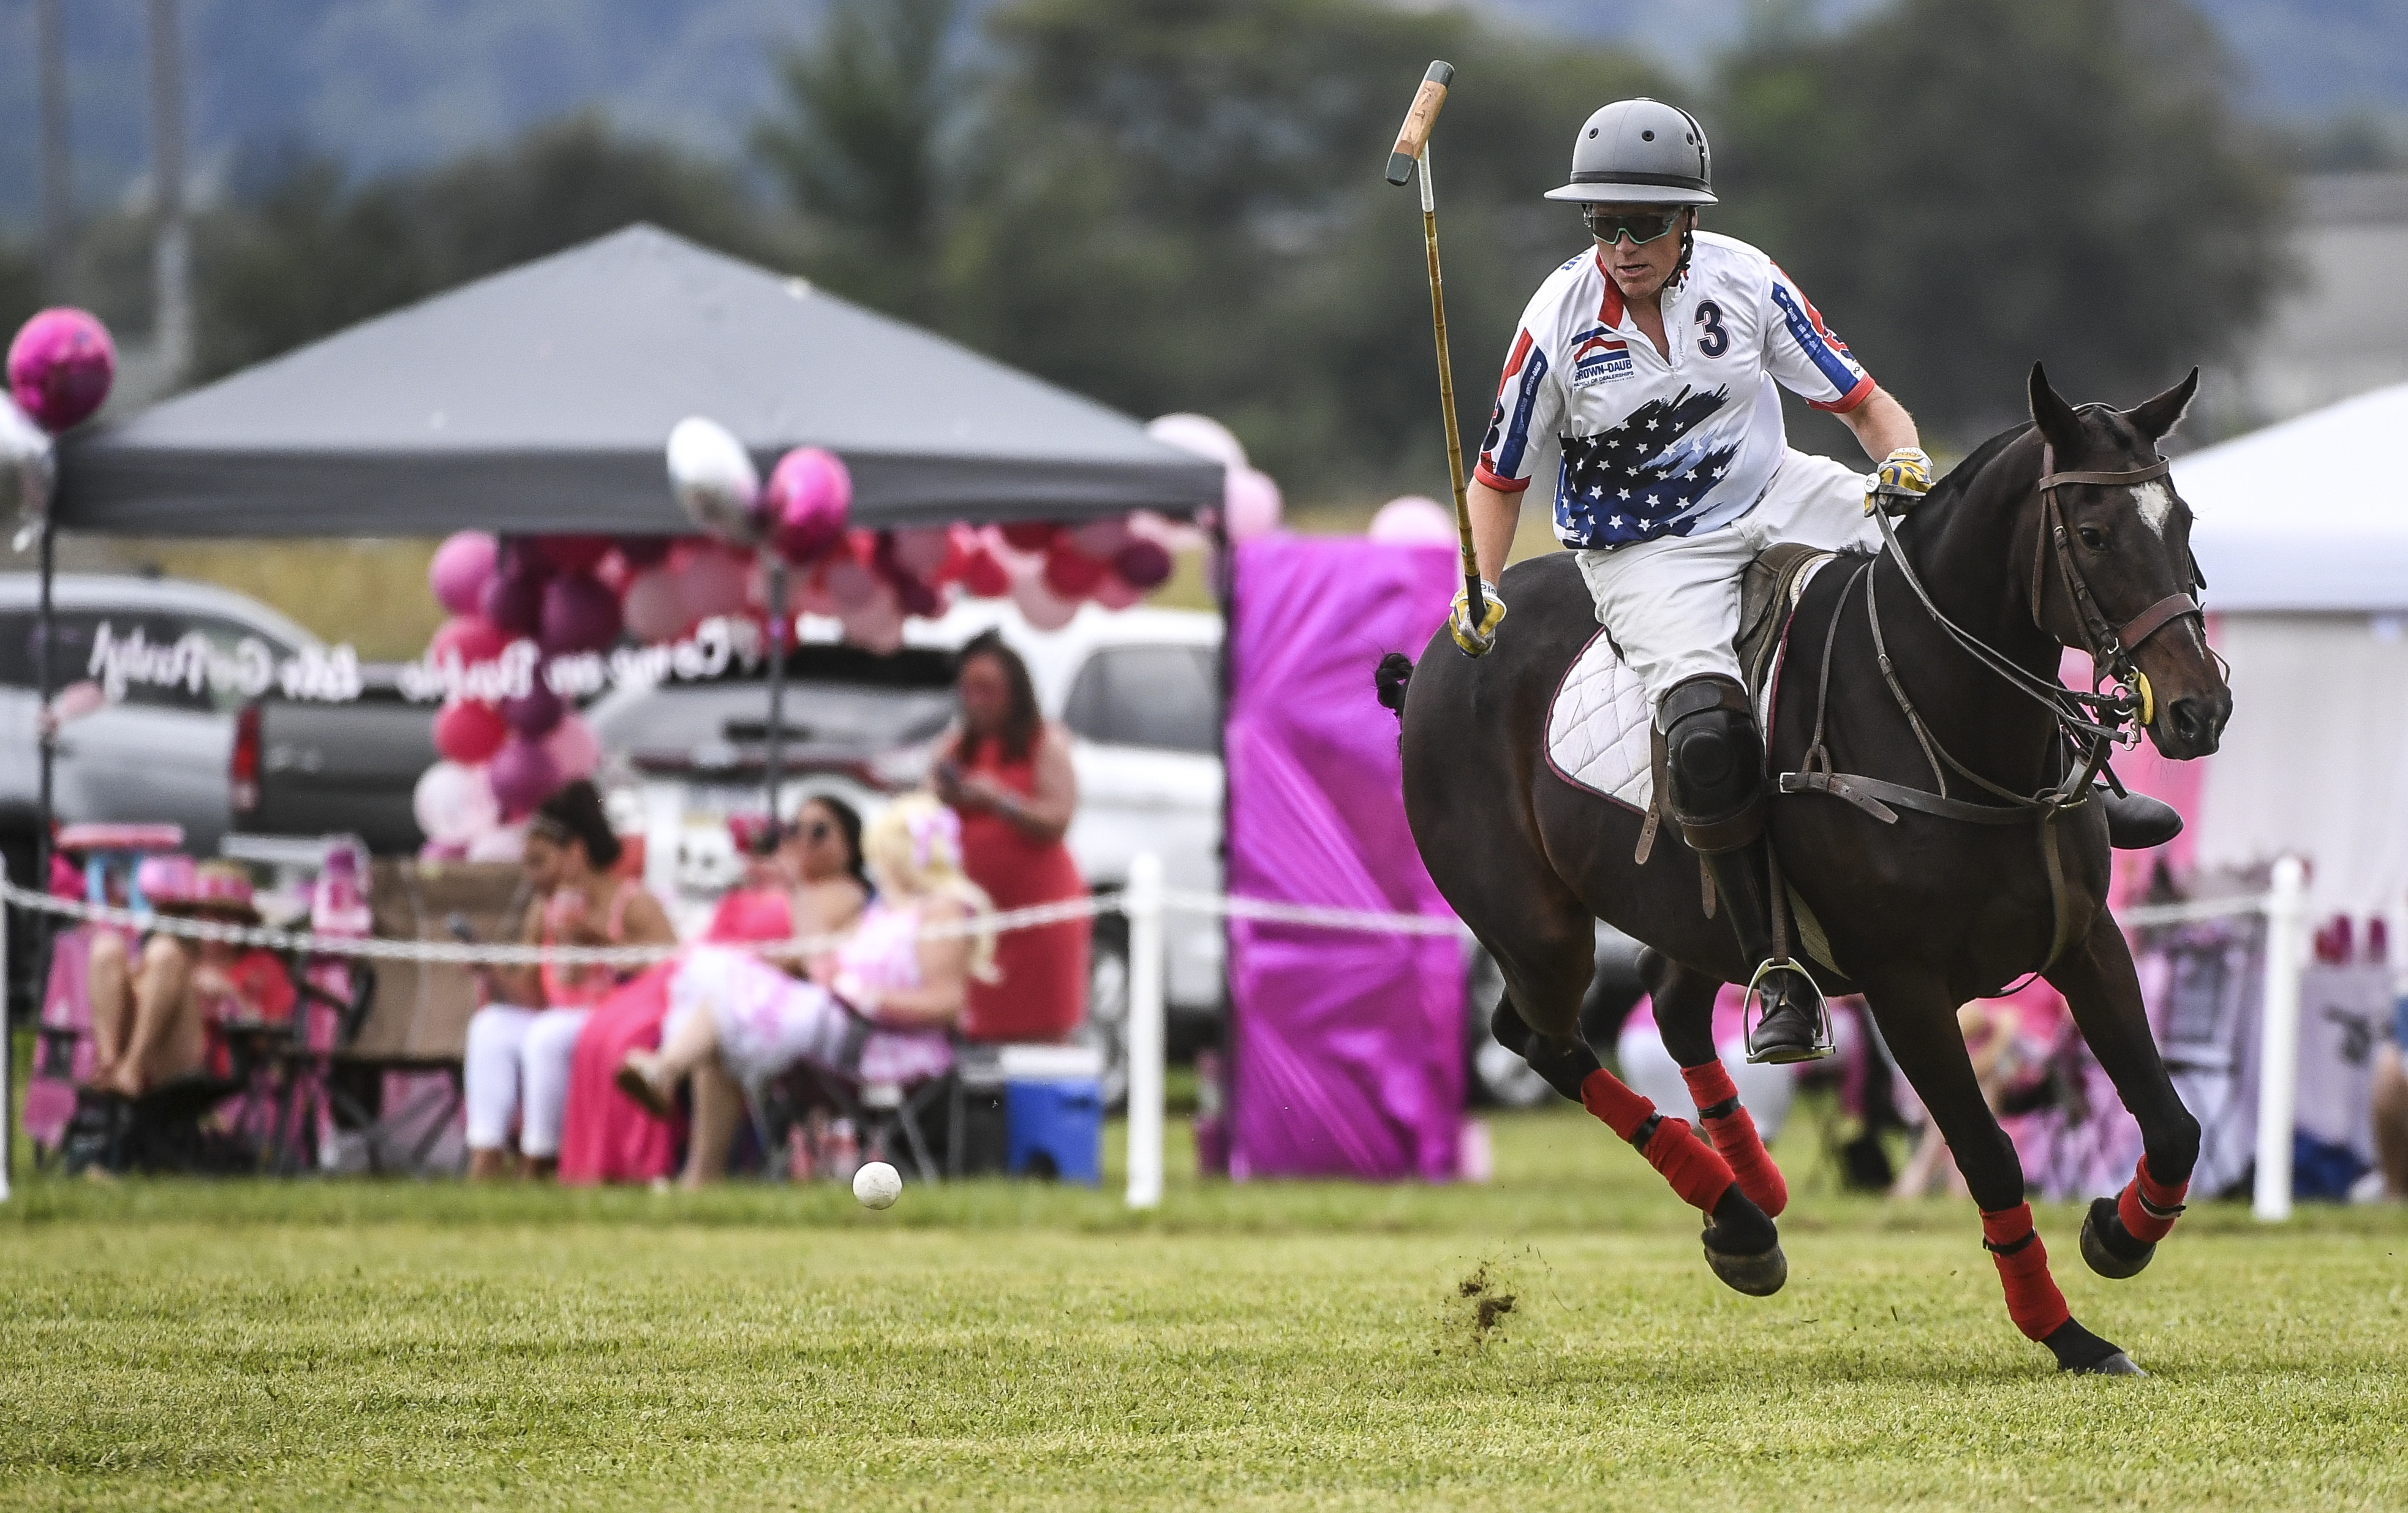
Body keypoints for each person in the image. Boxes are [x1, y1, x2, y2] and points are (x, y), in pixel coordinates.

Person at [1451, 98, 1930, 1064]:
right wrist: (1478, 583)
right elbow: (1496, 478)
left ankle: (2071, 780)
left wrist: (1905, 464)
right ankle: (1774, 968)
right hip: (1643, 550)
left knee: (1945, 562)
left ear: (1688, 222)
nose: (1621, 246)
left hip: (1772, 490)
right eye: (1601, 224)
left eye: (1644, 224)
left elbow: (1865, 405)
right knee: (1706, 733)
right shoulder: (1555, 320)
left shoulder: (1745, 282)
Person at [615, 794, 994, 1188]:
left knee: (721, 984)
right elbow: (821, 960)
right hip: (839, 1024)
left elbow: (948, 1003)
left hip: (882, 1045)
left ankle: (666, 1070)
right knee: (715, 986)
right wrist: (833, 970)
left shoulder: (942, 910)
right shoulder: (885, 911)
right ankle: (696, 1175)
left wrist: (865, 994)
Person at [462, 780, 674, 1180]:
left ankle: (541, 1157)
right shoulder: (543, 910)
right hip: (558, 1015)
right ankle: (485, 1154)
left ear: (575, 853)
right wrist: (490, 973)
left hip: (614, 1020)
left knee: (548, 1034)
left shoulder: (632, 901)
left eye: (539, 862)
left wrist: (600, 939)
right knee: (490, 1028)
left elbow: (670, 969)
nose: (531, 876)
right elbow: (532, 994)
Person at [930, 628, 1089, 1043]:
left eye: (988, 689)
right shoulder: (955, 747)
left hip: (1038, 920)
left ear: (1014, 691)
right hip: (975, 923)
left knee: (1040, 1034)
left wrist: (1002, 800)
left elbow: (1058, 818)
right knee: (977, 1030)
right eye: (968, 689)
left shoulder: (1044, 744)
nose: (976, 701)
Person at [86, 860, 295, 1095]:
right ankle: (109, 1064)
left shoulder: (264, 966)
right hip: (144, 1046)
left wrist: (231, 996)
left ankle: (132, 1067)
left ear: (244, 922)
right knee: (107, 946)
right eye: (208, 913)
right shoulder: (180, 954)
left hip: (201, 1066)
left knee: (164, 952)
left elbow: (274, 1042)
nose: (216, 923)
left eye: (227, 916)